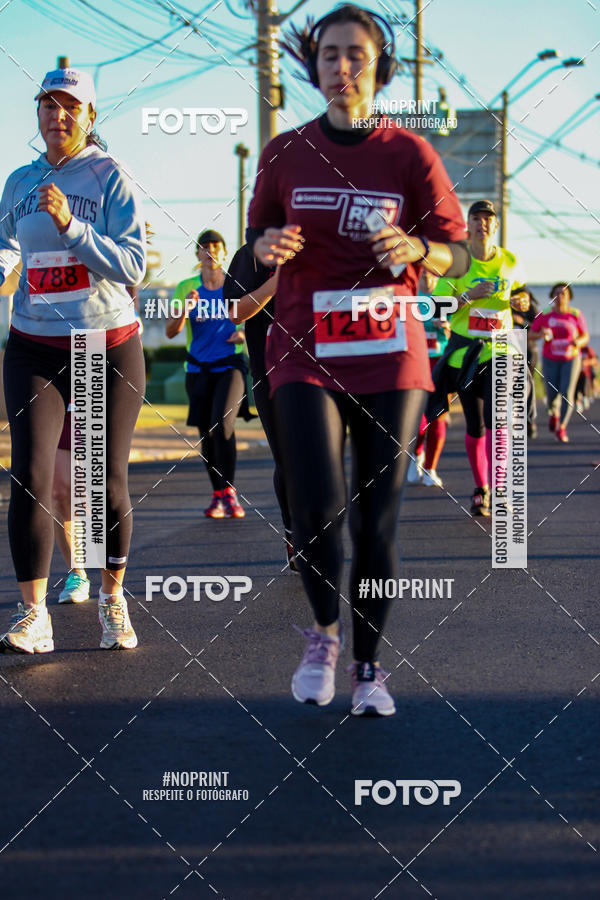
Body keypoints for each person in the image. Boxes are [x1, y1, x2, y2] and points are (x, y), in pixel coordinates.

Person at [249, 3, 469, 715]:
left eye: (357, 54)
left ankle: (369, 668)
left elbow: (460, 255)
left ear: (381, 66)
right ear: (313, 67)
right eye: (331, 54)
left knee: (378, 518)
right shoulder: (284, 152)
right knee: (315, 509)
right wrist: (263, 250)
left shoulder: (409, 153)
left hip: (389, 348)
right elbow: (252, 250)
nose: (343, 67)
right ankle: (323, 636)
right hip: (305, 346)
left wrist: (418, 249)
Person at [0, 68, 146, 653]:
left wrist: (70, 225)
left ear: (89, 117)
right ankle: (34, 615)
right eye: (48, 106)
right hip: (33, 342)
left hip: (102, 343)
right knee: (31, 478)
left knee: (105, 482)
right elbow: (7, 247)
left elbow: (133, 264)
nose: (57, 116)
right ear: (36, 115)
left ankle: (113, 598)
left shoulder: (112, 177)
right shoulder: (19, 181)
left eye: (70, 108)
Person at [427, 200, 529, 516]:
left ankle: (499, 492)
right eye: (476, 218)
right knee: (474, 425)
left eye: (488, 219)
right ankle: (480, 487)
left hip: (502, 351)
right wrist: (470, 296)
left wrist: (521, 301)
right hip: (465, 354)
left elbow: (523, 298)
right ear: (467, 225)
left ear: (496, 226)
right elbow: (437, 307)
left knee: (497, 421)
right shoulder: (457, 262)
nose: (483, 223)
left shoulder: (511, 262)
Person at [223, 246, 298, 567]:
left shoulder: (322, 242)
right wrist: (275, 284)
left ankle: (321, 532)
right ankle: (296, 535)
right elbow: (235, 312)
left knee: (321, 459)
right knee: (289, 460)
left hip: (322, 370)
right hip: (270, 373)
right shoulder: (251, 255)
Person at [166, 230, 248, 518]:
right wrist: (185, 309)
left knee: (221, 424)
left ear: (224, 252)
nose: (211, 251)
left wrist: (243, 334)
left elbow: (253, 316)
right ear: (198, 254)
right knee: (205, 433)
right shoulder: (186, 287)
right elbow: (170, 330)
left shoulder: (235, 284)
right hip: (197, 369)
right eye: (205, 246)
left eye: (216, 246)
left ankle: (230, 493)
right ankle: (218, 495)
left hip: (230, 366)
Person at [406, 269, 451, 488]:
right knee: (418, 416)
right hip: (414, 361)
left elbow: (459, 327)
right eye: (424, 273)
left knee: (438, 416)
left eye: (434, 274)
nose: (429, 278)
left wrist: (448, 328)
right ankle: (416, 454)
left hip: (440, 360)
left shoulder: (445, 297)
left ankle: (430, 468)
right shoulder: (411, 297)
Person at [530, 283, 589, 442]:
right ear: (552, 297)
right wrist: (541, 334)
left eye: (563, 293)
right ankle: (554, 414)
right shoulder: (545, 314)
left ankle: (561, 427)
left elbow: (585, 336)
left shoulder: (576, 314)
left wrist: (578, 341)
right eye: (557, 293)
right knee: (551, 394)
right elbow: (531, 334)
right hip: (550, 359)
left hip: (571, 359)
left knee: (567, 393)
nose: (560, 297)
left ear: (569, 297)